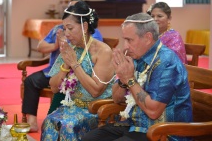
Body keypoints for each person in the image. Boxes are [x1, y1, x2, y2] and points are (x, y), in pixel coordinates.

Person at [81, 13, 192, 141]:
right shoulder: (135, 56)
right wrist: (123, 79)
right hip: (134, 125)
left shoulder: (166, 62)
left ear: (148, 38)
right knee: (88, 139)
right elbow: (117, 99)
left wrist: (130, 79)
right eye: (124, 40)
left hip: (162, 132)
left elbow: (153, 112)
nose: (125, 46)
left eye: (130, 40)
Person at [22, 0, 103, 132]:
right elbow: (40, 46)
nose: (67, 32)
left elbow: (90, 56)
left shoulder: (94, 36)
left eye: (70, 28)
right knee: (31, 81)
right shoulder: (57, 29)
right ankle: (31, 122)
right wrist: (56, 46)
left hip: (81, 80)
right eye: (68, 10)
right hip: (54, 71)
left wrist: (71, 57)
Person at [41, 0, 115, 141]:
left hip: (96, 109)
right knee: (49, 121)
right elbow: (54, 87)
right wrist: (65, 67)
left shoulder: (103, 51)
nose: (66, 34)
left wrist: (74, 64)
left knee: (69, 125)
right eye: (64, 29)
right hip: (73, 107)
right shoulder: (70, 49)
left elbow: (95, 91)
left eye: (70, 28)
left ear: (85, 26)